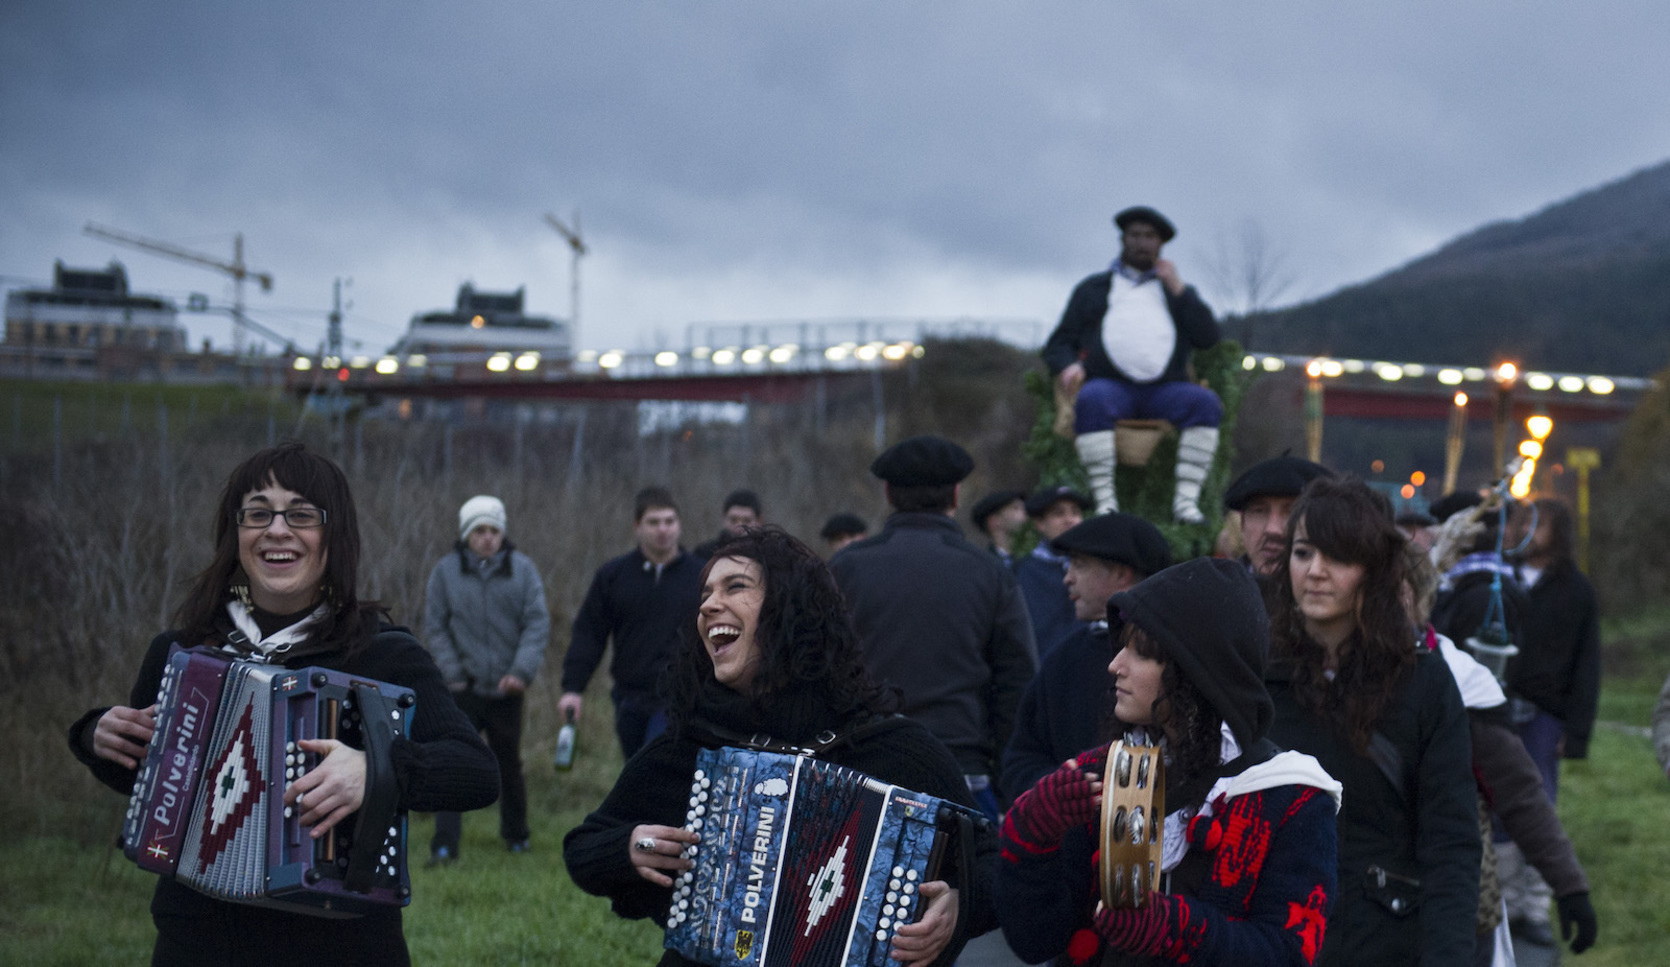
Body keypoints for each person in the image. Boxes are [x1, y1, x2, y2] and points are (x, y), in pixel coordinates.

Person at [68, 442, 498, 966]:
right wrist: (95, 735)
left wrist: (377, 770)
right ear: (237, 533)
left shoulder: (382, 655)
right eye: (257, 514)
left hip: (340, 945)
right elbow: (149, 781)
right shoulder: (182, 652)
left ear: (333, 535)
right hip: (199, 940)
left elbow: (477, 772)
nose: (277, 530)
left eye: (300, 514)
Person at [563, 527, 998, 967]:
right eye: (706, 594)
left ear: (792, 610)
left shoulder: (891, 748)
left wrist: (961, 905)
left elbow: (995, 861)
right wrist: (629, 847)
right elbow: (584, 846)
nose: (710, 604)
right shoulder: (696, 748)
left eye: (735, 587)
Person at [999, 558, 1342, 966]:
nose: (1115, 665)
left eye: (1141, 652)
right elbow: (1035, 939)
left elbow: (1290, 953)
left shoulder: (1290, 795)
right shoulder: (1102, 772)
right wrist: (1033, 833)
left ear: (1198, 670)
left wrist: (1177, 931)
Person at [1264, 476, 1480, 966]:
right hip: (1272, 938)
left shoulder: (1423, 682)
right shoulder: (1257, 674)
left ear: (1374, 569)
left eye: (1337, 556)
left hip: (1382, 938)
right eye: (1303, 553)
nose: (1315, 572)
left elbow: (1451, 842)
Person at [1404, 546, 1598, 960]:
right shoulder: (1319, 674)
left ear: (1421, 604)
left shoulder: (1458, 682)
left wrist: (1569, 885)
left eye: (1396, 591)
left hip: (1446, 905)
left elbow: (1519, 792)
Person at [829, 435, 1037, 818]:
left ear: (889, 493)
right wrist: (1009, 781)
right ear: (956, 496)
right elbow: (1017, 682)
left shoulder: (847, 568)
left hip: (864, 765)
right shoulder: (988, 572)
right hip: (960, 765)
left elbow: (819, 667)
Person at [1043, 206, 1223, 523]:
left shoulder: (1176, 292)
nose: (1141, 242)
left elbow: (1208, 338)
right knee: (1091, 400)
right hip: (1111, 386)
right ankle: (1105, 501)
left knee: (1205, 403)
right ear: (1123, 239)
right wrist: (1069, 366)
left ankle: (1186, 503)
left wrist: (1180, 291)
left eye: (1149, 236)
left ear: (1161, 244)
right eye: (1135, 235)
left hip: (1166, 389)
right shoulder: (1094, 289)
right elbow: (1059, 342)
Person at [1002, 511, 1173, 798]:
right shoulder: (1064, 658)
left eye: (1079, 565)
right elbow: (1020, 762)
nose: (1067, 578)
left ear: (1121, 574)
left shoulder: (1181, 654)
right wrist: (1063, 790)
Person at [423, 494, 552, 863]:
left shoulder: (522, 570)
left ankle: (516, 836)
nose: (487, 538)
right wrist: (452, 673)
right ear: (467, 534)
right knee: (453, 763)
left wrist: (520, 671)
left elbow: (536, 622)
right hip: (462, 689)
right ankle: (445, 844)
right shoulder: (445, 573)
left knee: (508, 763)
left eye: (494, 530)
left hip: (506, 689)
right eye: (479, 530)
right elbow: (436, 625)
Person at [1499, 497, 1602, 948]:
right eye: (1523, 521)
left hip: (1545, 716)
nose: (1528, 529)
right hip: (1496, 710)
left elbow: (1587, 665)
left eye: (1537, 523)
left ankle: (1534, 908)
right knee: (1498, 806)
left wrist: (1574, 731)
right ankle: (1501, 904)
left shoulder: (1576, 590)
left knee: (1539, 806)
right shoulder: (1497, 580)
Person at [560, 487, 705, 759]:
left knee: (656, 764)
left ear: (679, 524)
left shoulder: (701, 576)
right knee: (635, 770)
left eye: (669, 521)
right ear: (638, 526)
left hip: (679, 698)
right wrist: (573, 688)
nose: (663, 529)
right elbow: (589, 634)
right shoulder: (614, 576)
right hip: (629, 698)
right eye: (654, 522)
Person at [1013, 486, 1094, 660]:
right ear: (1040, 523)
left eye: (1075, 512)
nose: (1070, 520)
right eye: (1059, 514)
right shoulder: (1022, 571)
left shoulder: (1096, 568)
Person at [1222, 454, 1335, 577]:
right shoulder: (1213, 593)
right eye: (1259, 511)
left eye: (1291, 512)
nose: (1272, 529)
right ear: (1243, 523)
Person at [692, 488, 763, 559]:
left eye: (746, 521)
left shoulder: (765, 554)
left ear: (759, 521)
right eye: (733, 520)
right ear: (724, 518)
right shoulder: (705, 553)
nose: (740, 526)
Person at [971, 489, 1028, 565]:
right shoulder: (984, 564)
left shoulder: (1027, 560)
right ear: (994, 521)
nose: (1024, 515)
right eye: (1015, 508)